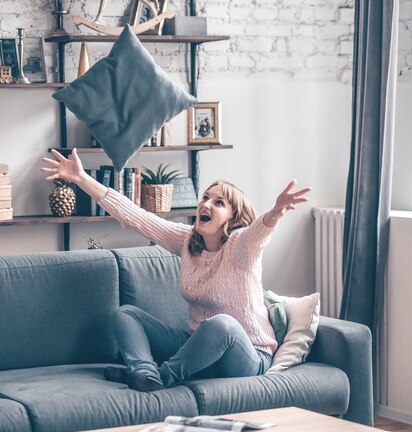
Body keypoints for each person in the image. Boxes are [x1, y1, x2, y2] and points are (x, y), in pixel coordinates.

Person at [41, 149, 311, 393]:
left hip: (247, 357)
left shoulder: (241, 247)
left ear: (235, 218)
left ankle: (160, 378)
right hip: (199, 351)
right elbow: (136, 216)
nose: (206, 204)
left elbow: (259, 233)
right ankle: (143, 374)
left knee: (222, 324)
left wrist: (276, 212)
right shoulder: (187, 242)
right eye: (206, 197)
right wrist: (81, 178)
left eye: (219, 203)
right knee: (126, 314)